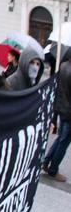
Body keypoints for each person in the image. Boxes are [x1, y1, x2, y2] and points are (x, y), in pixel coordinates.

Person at [43, 51, 71, 182]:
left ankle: (46, 161)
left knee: (61, 138)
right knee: (64, 141)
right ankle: (53, 169)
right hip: (69, 111)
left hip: (62, 108)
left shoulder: (64, 66)